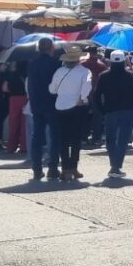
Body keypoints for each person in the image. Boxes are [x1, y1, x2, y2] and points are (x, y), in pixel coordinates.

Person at [93, 50, 133, 178]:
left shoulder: (104, 75)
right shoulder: (131, 76)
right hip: (128, 111)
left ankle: (114, 165)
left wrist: (101, 110)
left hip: (110, 111)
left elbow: (97, 95)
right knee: (123, 139)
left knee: (110, 139)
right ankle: (116, 166)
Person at [49, 48, 91, 182]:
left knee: (63, 139)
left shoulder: (59, 71)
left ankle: (65, 168)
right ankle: (73, 167)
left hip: (60, 106)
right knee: (76, 139)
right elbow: (87, 85)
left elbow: (52, 89)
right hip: (77, 107)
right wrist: (82, 98)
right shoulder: (85, 71)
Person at [26, 39, 61, 180]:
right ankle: (52, 167)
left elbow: (30, 85)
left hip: (36, 103)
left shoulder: (32, 64)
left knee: (37, 136)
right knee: (54, 136)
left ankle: (36, 167)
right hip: (52, 103)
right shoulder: (56, 64)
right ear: (52, 48)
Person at [1, 60, 28, 155]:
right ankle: (24, 146)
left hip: (13, 99)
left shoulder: (11, 75)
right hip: (25, 99)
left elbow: (5, 88)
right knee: (24, 124)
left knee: (13, 123)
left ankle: (11, 146)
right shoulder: (27, 75)